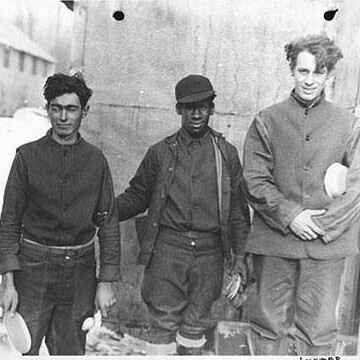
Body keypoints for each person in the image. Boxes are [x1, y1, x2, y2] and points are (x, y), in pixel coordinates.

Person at [115, 75, 251, 355]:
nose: (198, 113)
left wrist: (240, 260)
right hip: (168, 250)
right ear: (179, 109)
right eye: (190, 107)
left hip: (210, 253)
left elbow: (238, 212)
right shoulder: (160, 153)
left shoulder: (226, 154)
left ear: (212, 108)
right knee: (162, 325)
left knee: (196, 324)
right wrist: (101, 211)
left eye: (203, 106)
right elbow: (137, 196)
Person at [242, 34, 360, 356]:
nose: (310, 80)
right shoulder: (266, 121)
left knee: (320, 332)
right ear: (291, 71)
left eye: (318, 72)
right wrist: (291, 215)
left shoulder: (349, 125)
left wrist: (323, 224)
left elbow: (358, 185)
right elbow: (254, 180)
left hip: (327, 245)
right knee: (268, 326)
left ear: (329, 75)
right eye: (303, 71)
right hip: (275, 242)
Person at [0, 73, 121, 355]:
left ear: (84, 112)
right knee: (23, 348)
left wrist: (106, 282)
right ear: (47, 109)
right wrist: (8, 282)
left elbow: (109, 224)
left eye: (71, 109)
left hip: (79, 273)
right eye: (56, 108)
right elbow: (8, 222)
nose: (63, 117)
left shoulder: (96, 161)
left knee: (69, 351)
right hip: (32, 270)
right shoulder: (27, 157)